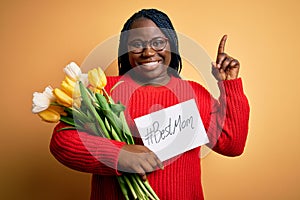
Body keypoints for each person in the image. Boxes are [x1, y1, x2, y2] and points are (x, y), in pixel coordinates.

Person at [50, 8, 250, 200]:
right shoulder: (102, 91)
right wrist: (119, 155)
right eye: (137, 44)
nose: (148, 52)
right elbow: (62, 140)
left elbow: (232, 144)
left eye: (158, 42)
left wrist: (229, 84)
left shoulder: (194, 94)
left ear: (172, 45)